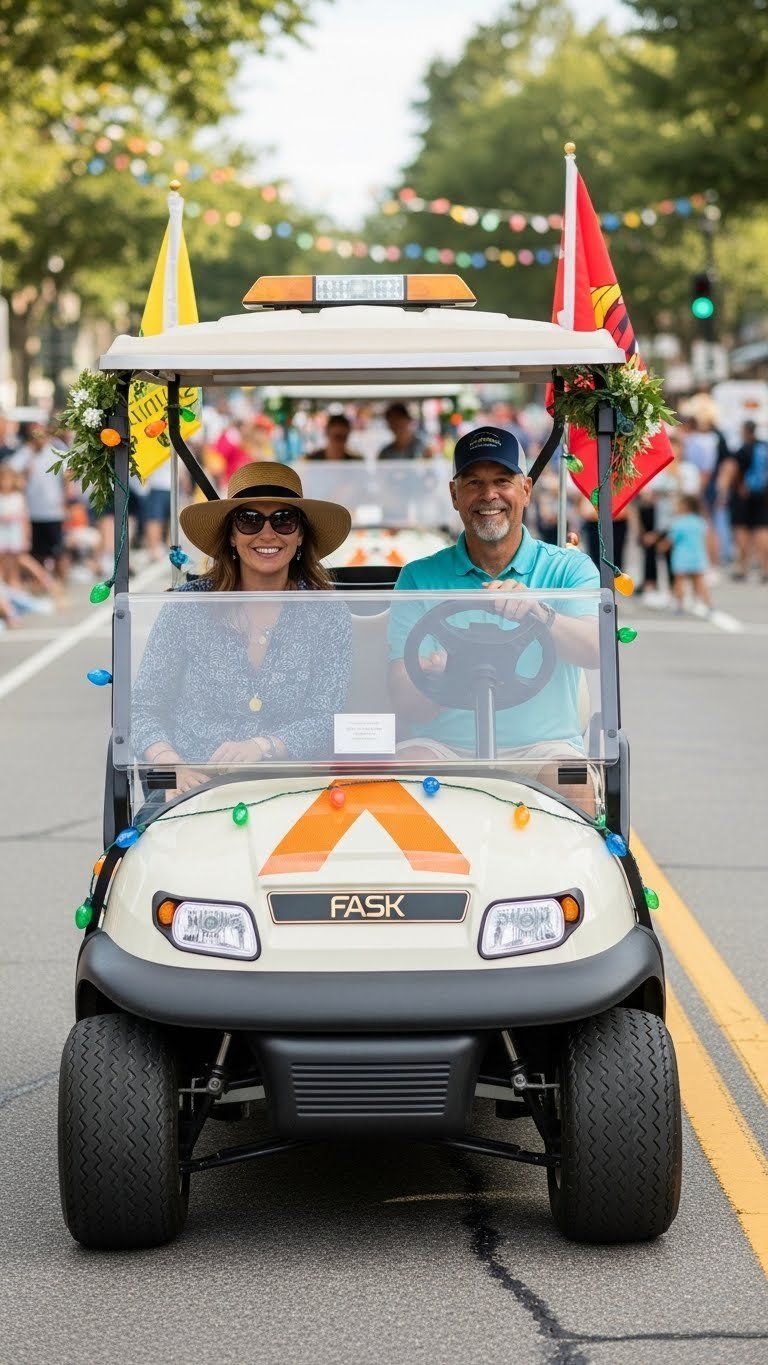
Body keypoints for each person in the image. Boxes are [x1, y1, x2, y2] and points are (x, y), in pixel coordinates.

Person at [388, 426, 601, 810]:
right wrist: (447, 675)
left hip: (544, 750)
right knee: (402, 774)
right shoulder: (419, 577)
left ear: (526, 490)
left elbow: (595, 649)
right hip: (444, 748)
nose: (489, 496)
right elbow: (405, 701)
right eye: (474, 483)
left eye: (502, 481)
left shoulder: (569, 570)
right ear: (455, 495)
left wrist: (540, 613)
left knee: (576, 779)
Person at [131, 463, 352, 795]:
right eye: (249, 520)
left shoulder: (328, 612)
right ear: (231, 535)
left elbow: (328, 717)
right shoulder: (187, 607)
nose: (267, 534)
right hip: (193, 784)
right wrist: (169, 763)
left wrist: (265, 745)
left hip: (292, 787)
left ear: (300, 535)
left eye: (284, 520)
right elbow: (144, 707)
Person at [726, 420, 768, 581]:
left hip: (743, 496)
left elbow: (733, 471)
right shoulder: (764, 446)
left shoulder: (742, 450)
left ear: (744, 431)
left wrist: (730, 489)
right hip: (763, 496)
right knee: (762, 531)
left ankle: (742, 568)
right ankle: (765, 569)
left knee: (742, 532)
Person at [659, 493, 712, 616]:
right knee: (700, 582)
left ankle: (679, 606)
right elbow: (705, 538)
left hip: (682, 557)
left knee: (679, 582)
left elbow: (671, 540)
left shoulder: (679, 523)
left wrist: (662, 547)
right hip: (697, 556)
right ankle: (709, 605)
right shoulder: (699, 521)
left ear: (685, 507)